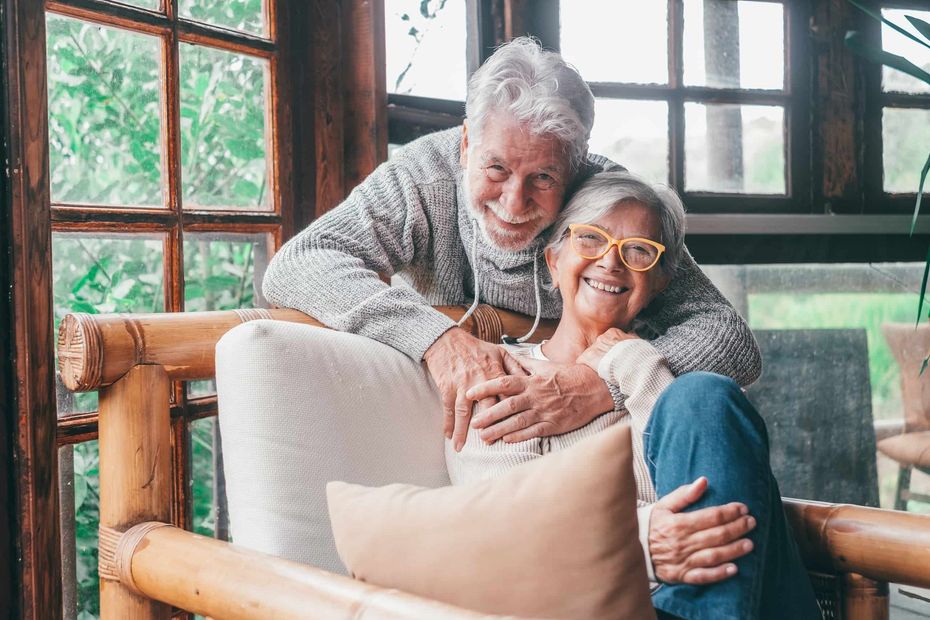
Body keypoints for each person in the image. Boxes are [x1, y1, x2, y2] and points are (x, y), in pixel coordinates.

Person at [262, 37, 761, 587]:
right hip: (528, 472)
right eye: (496, 168)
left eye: (543, 178)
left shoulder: (606, 206)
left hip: (634, 440)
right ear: (466, 144)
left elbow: (728, 337)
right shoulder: (422, 178)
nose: (514, 202)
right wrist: (437, 339)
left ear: (575, 170)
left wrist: (596, 381)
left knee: (711, 414)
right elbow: (301, 262)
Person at [447, 171, 820, 619]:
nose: (610, 262)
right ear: (553, 260)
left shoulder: (661, 379)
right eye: (590, 239)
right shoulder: (502, 378)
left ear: (661, 282)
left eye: (638, 251)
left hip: (700, 598)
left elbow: (693, 486)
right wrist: (642, 537)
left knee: (705, 395)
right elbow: (510, 523)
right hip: (601, 602)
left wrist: (629, 360)